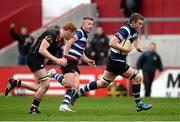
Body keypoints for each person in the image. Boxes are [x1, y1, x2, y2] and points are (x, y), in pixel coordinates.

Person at [70, 13, 152, 112]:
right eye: (139, 24)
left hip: (114, 61)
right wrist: (125, 49)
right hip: (117, 61)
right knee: (137, 78)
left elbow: (136, 37)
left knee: (103, 83)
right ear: (133, 22)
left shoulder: (135, 29)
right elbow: (112, 43)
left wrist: (138, 47)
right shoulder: (124, 30)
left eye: (142, 24)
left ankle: (78, 92)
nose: (141, 26)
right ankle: (138, 104)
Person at [5, 23, 77, 114]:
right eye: (73, 34)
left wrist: (43, 67)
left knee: (40, 87)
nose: (73, 37)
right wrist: (57, 60)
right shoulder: (52, 34)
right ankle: (32, 109)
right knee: (46, 84)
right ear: (69, 31)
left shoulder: (60, 40)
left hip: (39, 61)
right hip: (34, 58)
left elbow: (47, 55)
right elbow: (42, 50)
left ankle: (15, 82)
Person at [48, 17, 95, 112]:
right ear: (83, 25)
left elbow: (81, 52)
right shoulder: (79, 33)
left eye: (92, 24)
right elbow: (68, 43)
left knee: (76, 85)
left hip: (74, 62)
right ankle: (53, 74)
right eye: (89, 24)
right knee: (69, 84)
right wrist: (65, 57)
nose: (91, 26)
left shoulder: (85, 36)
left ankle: (64, 105)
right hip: (68, 60)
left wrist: (87, 60)